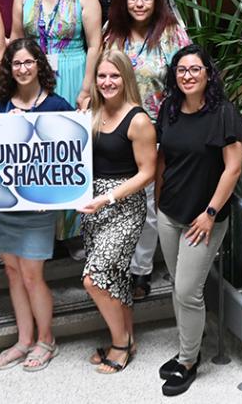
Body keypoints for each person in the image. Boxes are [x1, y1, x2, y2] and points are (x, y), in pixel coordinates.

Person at [155, 44, 242, 397]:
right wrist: (158, 196)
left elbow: (233, 168)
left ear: (208, 73)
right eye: (181, 70)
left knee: (187, 290)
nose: (188, 76)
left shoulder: (222, 113)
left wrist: (210, 214)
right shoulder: (170, 108)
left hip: (203, 218)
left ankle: (189, 360)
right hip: (170, 212)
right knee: (178, 286)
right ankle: (188, 345)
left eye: (195, 69)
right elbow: (164, 156)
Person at [0, 38, 72, 371]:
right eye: (15, 63)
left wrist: (52, 197)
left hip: (37, 209)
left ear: (39, 65)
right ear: (9, 67)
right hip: (2, 206)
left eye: (28, 62)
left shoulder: (57, 106)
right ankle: (23, 340)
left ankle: (46, 340)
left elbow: (67, 162)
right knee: (12, 272)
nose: (22, 69)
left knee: (33, 275)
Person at [103, 0, 190, 300]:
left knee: (151, 207)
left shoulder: (172, 34)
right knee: (121, 201)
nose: (139, 3)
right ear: (124, 1)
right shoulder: (112, 35)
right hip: (118, 131)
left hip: (159, 132)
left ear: (157, 1)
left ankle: (140, 271)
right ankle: (118, 265)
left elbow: (189, 78)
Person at [77, 50, 156, 374]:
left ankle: (120, 344)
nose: (107, 82)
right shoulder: (90, 111)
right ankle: (130, 338)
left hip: (123, 206)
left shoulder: (138, 119)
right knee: (115, 277)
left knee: (94, 278)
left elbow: (147, 172)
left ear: (125, 78)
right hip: (92, 204)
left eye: (114, 76)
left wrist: (108, 197)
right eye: (102, 76)